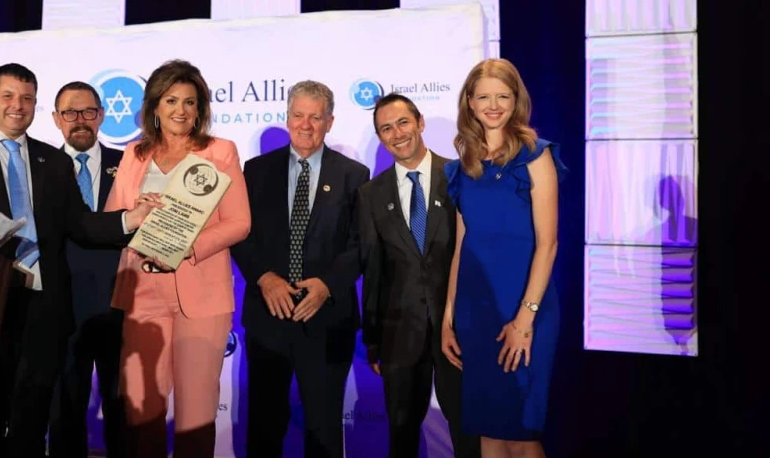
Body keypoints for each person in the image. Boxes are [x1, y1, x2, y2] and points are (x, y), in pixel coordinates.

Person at [0, 63, 158, 458]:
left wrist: (130, 218)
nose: (17, 105)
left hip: (43, 306)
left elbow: (81, 224)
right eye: (8, 96)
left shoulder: (53, 162)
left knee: (32, 414)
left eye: (27, 98)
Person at [102, 59, 250, 457]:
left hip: (200, 292)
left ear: (200, 109)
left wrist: (189, 246)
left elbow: (240, 223)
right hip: (141, 291)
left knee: (196, 415)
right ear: (155, 106)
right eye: (170, 101)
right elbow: (112, 219)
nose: (180, 110)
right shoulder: (134, 154)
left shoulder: (219, 151)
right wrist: (136, 210)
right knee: (141, 411)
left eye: (189, 102)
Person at [231, 81, 369, 458]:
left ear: (330, 122)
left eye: (315, 117)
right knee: (264, 427)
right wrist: (265, 278)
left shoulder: (354, 174)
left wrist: (327, 285)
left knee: (324, 429)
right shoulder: (255, 171)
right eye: (298, 115)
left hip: (327, 318)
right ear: (287, 117)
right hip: (269, 318)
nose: (305, 125)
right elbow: (240, 233)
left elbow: (361, 243)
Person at [441, 58, 566, 458]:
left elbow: (548, 244)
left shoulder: (535, 156)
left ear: (516, 100)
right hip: (475, 312)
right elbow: (463, 245)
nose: (493, 106)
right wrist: (448, 316)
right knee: (488, 432)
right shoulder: (463, 166)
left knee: (520, 434)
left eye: (502, 96)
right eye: (484, 97)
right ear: (470, 102)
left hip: (525, 307)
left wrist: (525, 319)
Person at [358, 93, 480, 458]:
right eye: (386, 128)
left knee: (468, 433)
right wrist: (373, 341)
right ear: (380, 137)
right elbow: (373, 271)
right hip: (399, 336)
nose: (397, 134)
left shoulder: (459, 176)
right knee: (402, 437)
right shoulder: (370, 194)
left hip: (458, 331)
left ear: (420, 122)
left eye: (403, 123)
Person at [48, 81, 126, 458]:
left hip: (121, 300)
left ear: (102, 116)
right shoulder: (41, 167)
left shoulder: (130, 164)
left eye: (88, 112)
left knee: (123, 410)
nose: (80, 120)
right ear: (56, 118)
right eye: (70, 112)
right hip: (62, 305)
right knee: (65, 411)